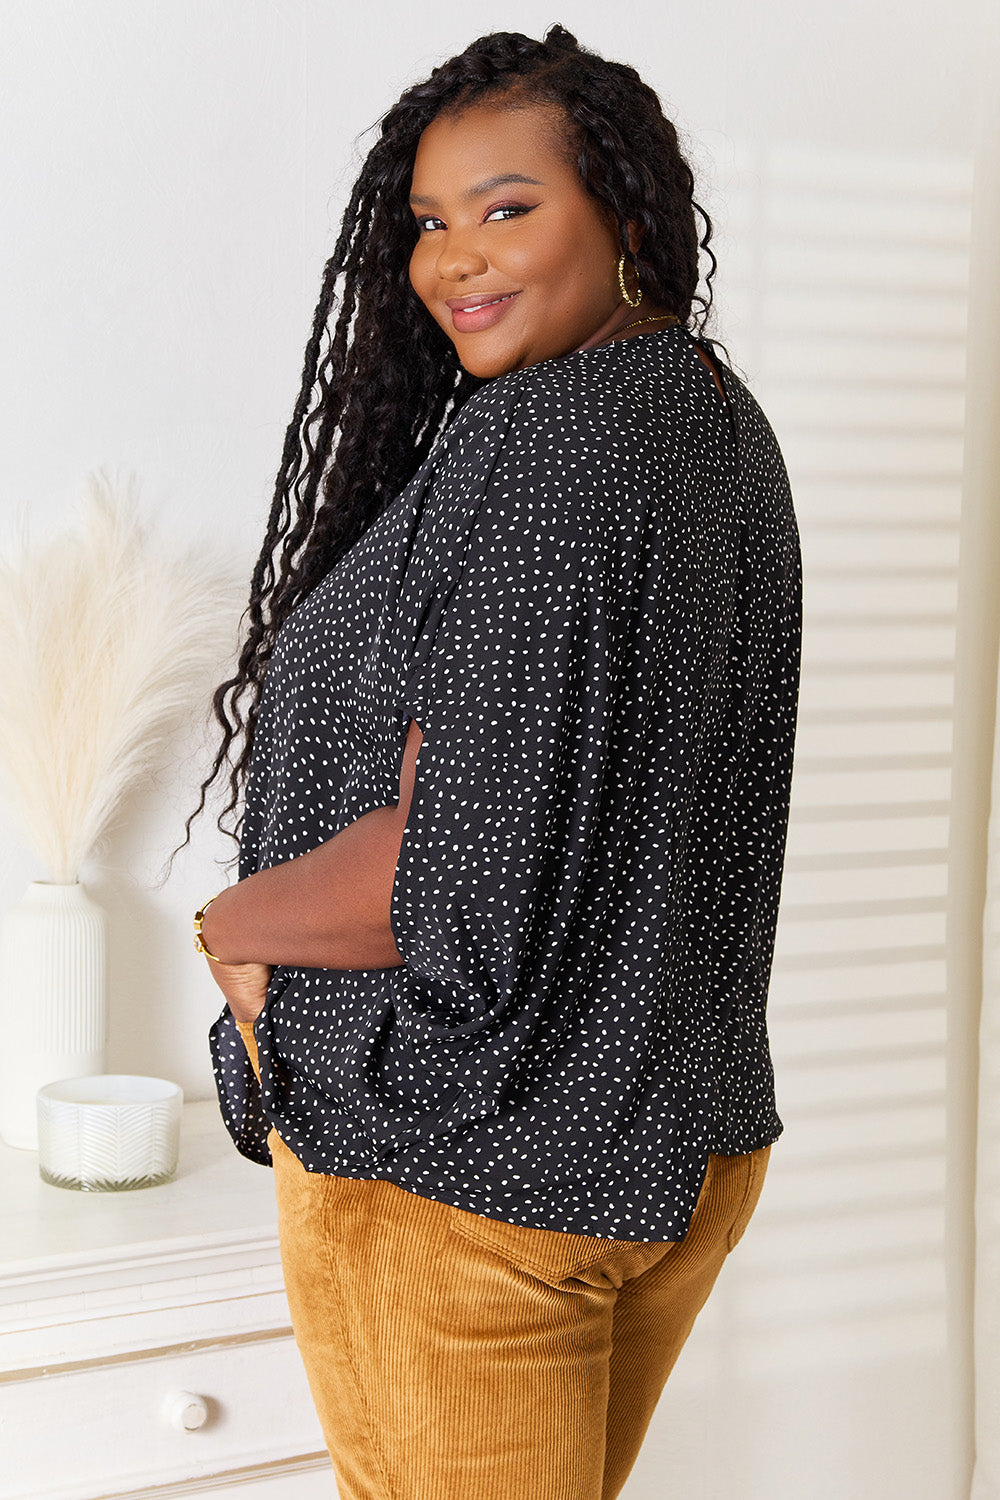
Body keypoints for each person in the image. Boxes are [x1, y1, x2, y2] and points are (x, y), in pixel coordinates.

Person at [184, 24, 801, 1500]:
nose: (456, 256)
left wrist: (233, 924)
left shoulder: (546, 444)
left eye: (509, 207)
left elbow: (453, 870)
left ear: (627, 216)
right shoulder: (712, 421)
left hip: (462, 1168)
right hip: (672, 1147)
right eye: (428, 221)